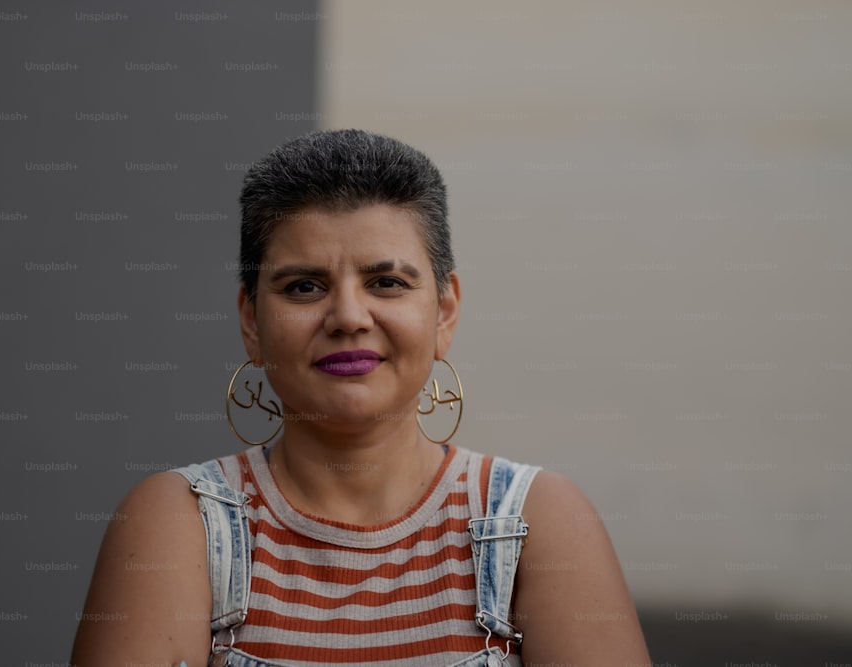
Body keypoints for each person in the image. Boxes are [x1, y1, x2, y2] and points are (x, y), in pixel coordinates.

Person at [70, 129, 651, 666]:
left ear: (444, 310)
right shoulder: (180, 522)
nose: (348, 317)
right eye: (304, 286)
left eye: (386, 283)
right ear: (250, 320)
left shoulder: (536, 521)